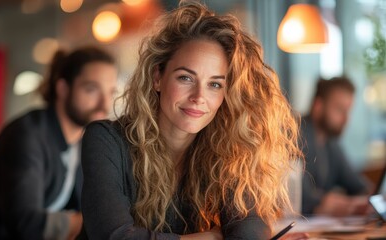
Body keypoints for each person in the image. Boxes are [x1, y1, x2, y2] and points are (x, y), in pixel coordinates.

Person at [80, 2, 308, 240]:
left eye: (215, 84)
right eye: (186, 78)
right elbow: (115, 237)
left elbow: (249, 225)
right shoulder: (105, 140)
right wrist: (210, 237)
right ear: (158, 77)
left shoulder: (228, 148)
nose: (199, 97)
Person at [0, 46, 118, 239]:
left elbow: (88, 203)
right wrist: (92, 221)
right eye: (91, 89)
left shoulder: (83, 143)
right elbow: (25, 223)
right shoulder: (28, 135)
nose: (105, 104)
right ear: (63, 89)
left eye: (111, 92)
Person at [301, 76, 369, 216]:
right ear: (318, 106)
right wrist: (330, 202)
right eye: (339, 110)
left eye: (348, 111)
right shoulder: (294, 135)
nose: (346, 119)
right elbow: (303, 197)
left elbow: (358, 185)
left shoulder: (331, 144)